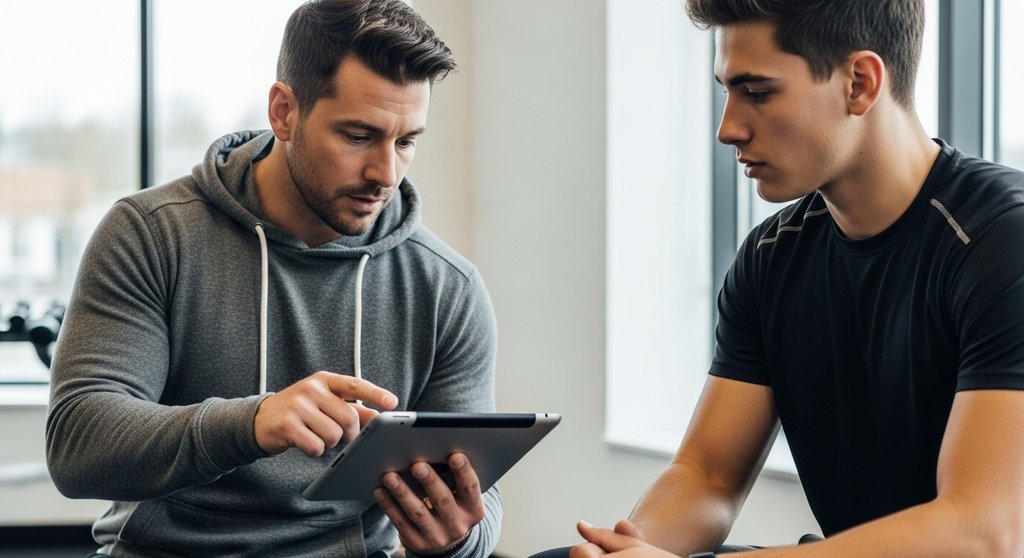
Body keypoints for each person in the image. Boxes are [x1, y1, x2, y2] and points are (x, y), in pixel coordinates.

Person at [566, 0, 1024, 556]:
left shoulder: (1002, 241)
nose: (727, 128)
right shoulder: (770, 257)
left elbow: (985, 531)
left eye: (757, 92)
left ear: (860, 82)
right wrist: (634, 548)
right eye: (727, 91)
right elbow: (707, 475)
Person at [45, 1, 501, 556]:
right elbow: (77, 447)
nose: (385, 173)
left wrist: (457, 539)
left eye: (406, 141)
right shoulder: (150, 234)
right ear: (284, 112)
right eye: (358, 135)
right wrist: (253, 422)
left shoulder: (446, 287)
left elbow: (478, 497)